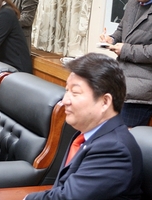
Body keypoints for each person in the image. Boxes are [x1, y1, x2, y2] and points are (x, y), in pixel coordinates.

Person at [25, 53, 143, 199]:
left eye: (75, 93)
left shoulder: (114, 149)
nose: (65, 100)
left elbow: (68, 198)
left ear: (105, 102)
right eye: (66, 90)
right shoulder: (85, 135)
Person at [100, 0, 152, 127]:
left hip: (140, 88)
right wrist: (111, 39)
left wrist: (125, 50)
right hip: (120, 79)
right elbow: (121, 29)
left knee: (122, 137)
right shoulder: (132, 4)